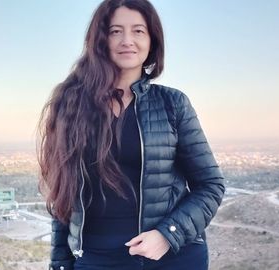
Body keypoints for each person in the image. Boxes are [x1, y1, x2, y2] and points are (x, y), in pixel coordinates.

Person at [37, 0, 225, 269]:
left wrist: (167, 235)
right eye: (115, 31)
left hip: (171, 257)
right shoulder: (71, 104)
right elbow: (62, 197)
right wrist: (60, 265)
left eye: (138, 31)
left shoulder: (172, 104)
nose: (127, 40)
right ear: (100, 39)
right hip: (97, 258)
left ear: (152, 41)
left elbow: (210, 185)